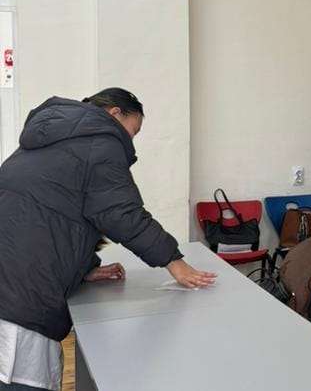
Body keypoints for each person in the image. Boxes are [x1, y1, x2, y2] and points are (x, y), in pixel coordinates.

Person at [0, 89, 216, 391]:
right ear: (115, 113)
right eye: (134, 130)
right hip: (20, 301)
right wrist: (175, 262)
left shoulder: (51, 137)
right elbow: (120, 213)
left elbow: (56, 215)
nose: (132, 141)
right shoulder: (101, 139)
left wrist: (84, 268)